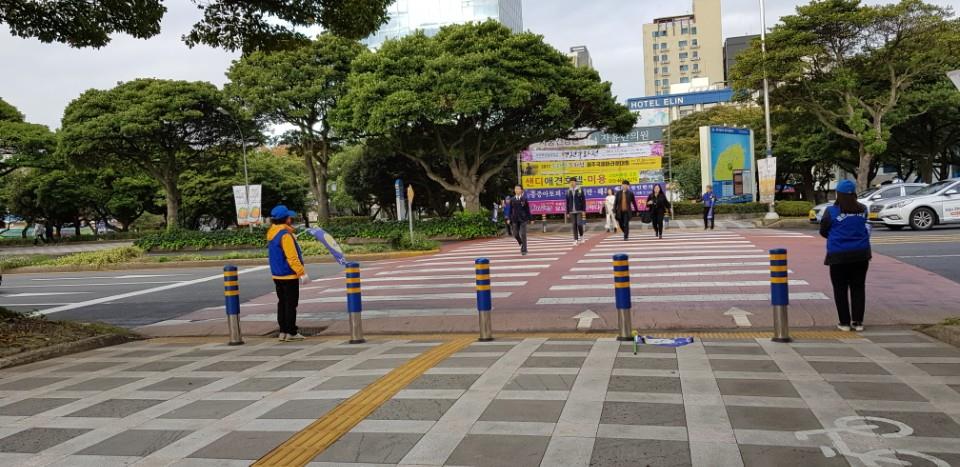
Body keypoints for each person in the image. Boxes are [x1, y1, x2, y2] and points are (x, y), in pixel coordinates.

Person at [819, 179, 872, 332]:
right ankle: (858, 322)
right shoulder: (863, 209)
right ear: (854, 193)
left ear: (838, 194)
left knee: (840, 289)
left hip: (838, 255)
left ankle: (844, 323)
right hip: (861, 254)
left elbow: (823, 231)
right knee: (858, 287)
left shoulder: (831, 211)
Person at [267, 205, 309, 342]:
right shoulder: (285, 235)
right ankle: (291, 332)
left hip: (277, 275)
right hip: (289, 275)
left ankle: (283, 331)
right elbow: (292, 257)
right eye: (289, 217)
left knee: (282, 303)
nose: (291, 218)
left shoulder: (272, 233)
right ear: (286, 219)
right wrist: (301, 273)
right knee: (291, 304)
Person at [508, 185, 531, 255]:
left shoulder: (524, 199)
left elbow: (527, 210)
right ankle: (520, 242)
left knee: (523, 234)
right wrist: (508, 218)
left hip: (523, 219)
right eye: (515, 189)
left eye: (518, 189)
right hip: (514, 219)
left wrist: (530, 218)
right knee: (515, 234)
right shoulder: (512, 199)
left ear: (521, 190)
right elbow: (510, 210)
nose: (517, 190)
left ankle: (524, 250)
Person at [565, 178, 587, 245]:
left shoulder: (580, 190)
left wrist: (583, 210)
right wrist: (567, 212)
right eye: (571, 182)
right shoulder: (568, 191)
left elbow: (583, 200)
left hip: (579, 210)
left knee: (579, 224)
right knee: (574, 225)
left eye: (573, 182)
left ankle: (582, 236)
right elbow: (567, 202)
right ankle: (575, 240)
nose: (572, 183)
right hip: (572, 211)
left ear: (576, 182)